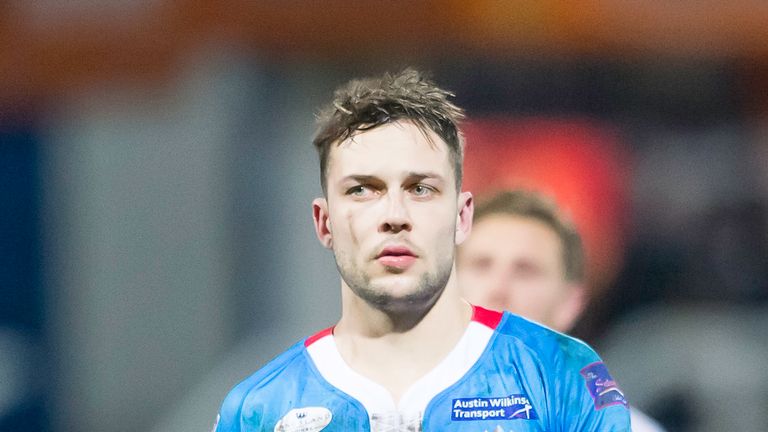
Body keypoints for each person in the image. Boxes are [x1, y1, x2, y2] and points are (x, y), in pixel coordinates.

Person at [213, 69, 631, 431]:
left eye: (421, 189)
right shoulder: (259, 410)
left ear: (462, 216)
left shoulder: (559, 374)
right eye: (362, 190)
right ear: (324, 222)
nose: (395, 215)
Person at [457, 189, 666, 432]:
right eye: (481, 265)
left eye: (525, 271)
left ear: (570, 304)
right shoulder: (406, 414)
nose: (498, 288)